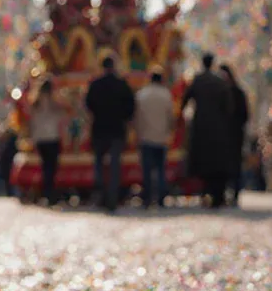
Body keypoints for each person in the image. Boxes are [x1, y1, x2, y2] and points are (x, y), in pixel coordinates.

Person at [85, 53, 136, 211]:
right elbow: (131, 107)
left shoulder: (95, 84)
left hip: (99, 129)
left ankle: (101, 192)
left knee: (99, 164)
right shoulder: (122, 84)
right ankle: (112, 197)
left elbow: (89, 104)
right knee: (114, 166)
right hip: (117, 129)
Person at [181, 53, 232, 209]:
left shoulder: (197, 80)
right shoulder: (219, 81)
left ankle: (205, 192)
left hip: (200, 126)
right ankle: (217, 194)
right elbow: (229, 106)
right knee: (216, 162)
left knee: (202, 161)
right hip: (217, 128)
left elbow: (185, 100)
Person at [134, 67, 176, 209]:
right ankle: (161, 197)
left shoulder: (142, 95)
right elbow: (171, 116)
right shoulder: (166, 95)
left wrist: (137, 132)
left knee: (146, 169)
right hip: (161, 137)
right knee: (160, 169)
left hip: (146, 136)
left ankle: (147, 197)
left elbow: (137, 117)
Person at [30, 79, 66, 206]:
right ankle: (50, 193)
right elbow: (62, 116)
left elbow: (32, 121)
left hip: (40, 138)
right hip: (52, 137)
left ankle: (46, 192)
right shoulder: (54, 102)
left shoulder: (35, 102)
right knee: (51, 167)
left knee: (46, 166)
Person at [220, 64, 249, 206]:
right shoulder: (232, 92)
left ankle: (235, 192)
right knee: (227, 165)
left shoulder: (236, 92)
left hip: (233, 135)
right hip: (228, 135)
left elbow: (245, 115)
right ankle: (227, 192)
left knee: (234, 165)